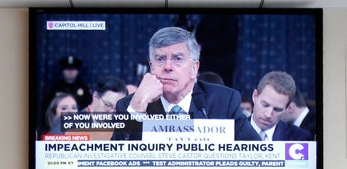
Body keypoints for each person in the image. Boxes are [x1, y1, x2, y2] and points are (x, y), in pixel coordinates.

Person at [111, 26, 260, 142]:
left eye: (177, 59)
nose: (168, 67)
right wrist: (137, 107)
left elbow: (257, 154)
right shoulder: (129, 106)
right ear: (151, 67)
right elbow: (114, 164)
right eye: (160, 59)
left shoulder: (224, 102)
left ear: (194, 68)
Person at [250, 71, 313, 142]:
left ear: (287, 108)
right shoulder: (235, 132)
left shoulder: (299, 138)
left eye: (277, 109)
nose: (268, 115)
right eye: (265, 105)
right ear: (255, 96)